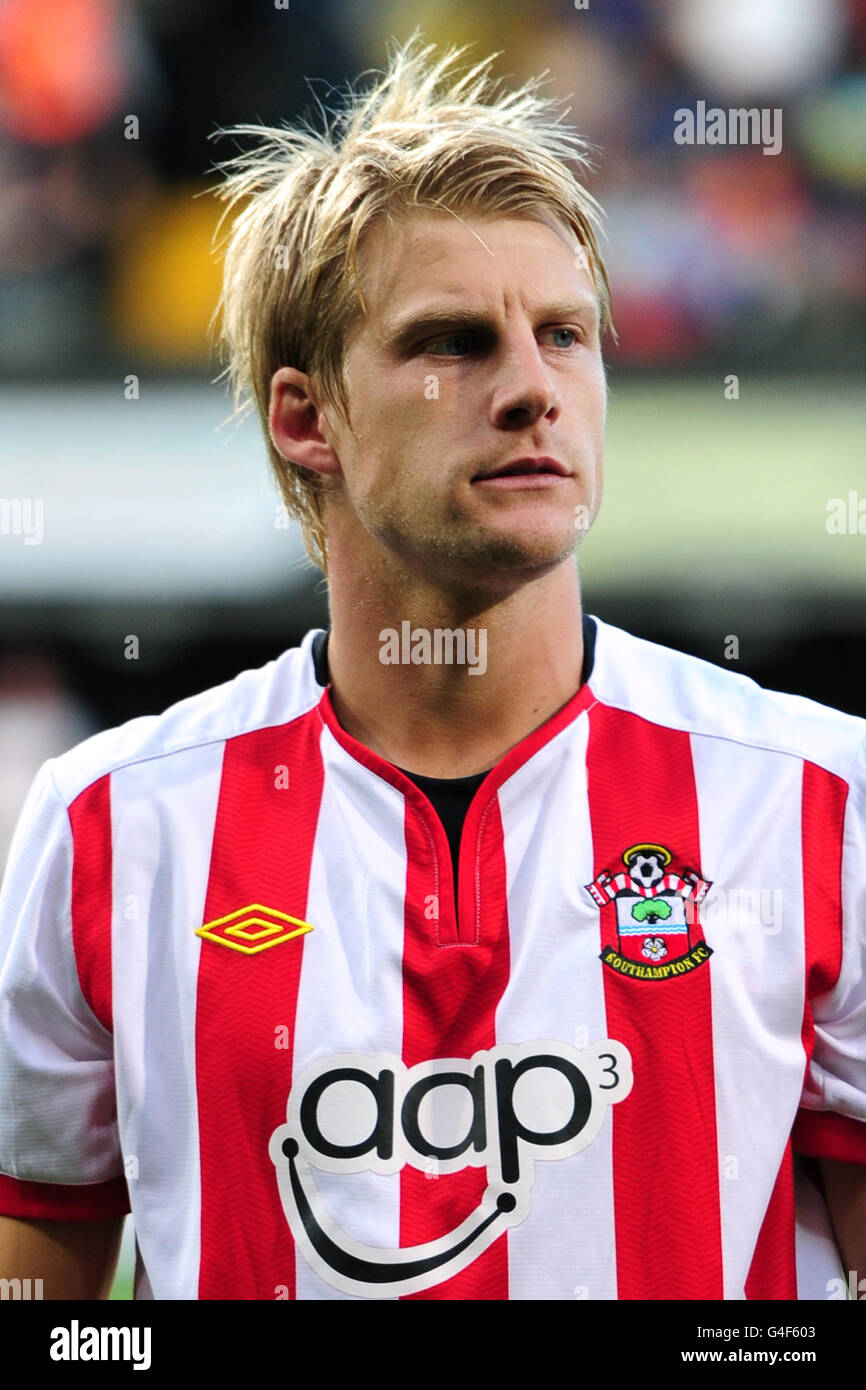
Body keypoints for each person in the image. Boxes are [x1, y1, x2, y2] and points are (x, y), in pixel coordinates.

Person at [0, 35, 863, 1303]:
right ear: (307, 419)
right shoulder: (109, 825)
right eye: (453, 342)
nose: (532, 389)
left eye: (564, 334)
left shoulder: (816, 803)